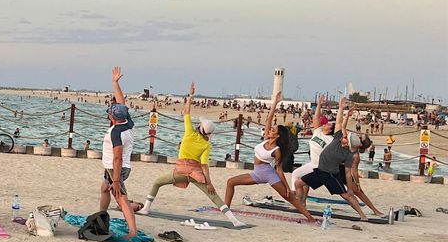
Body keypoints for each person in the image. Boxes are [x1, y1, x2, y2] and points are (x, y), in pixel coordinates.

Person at [142, 82, 246, 226]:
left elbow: (186, 112)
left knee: (157, 183)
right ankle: (234, 221)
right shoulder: (206, 144)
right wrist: (209, 182)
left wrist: (190, 95)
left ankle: (146, 209)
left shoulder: (189, 132)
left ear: (200, 127)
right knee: (213, 195)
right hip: (196, 173)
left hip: (181, 170)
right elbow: (204, 165)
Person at [224, 91, 316, 221]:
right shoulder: (267, 139)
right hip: (256, 173)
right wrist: (275, 103)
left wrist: (287, 187)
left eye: (273, 130)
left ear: (277, 136)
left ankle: (310, 218)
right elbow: (268, 119)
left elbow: (278, 168)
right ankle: (226, 209)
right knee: (230, 182)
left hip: (268, 174)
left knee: (289, 197)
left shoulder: (276, 150)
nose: (271, 130)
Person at [292, 96, 370, 220]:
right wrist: (340, 109)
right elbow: (339, 123)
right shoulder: (331, 137)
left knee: (346, 195)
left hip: (330, 174)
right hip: (318, 170)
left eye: (346, 139)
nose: (344, 138)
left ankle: (362, 215)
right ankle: (301, 204)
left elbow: (348, 173)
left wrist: (350, 188)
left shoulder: (342, 149)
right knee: (298, 183)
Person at [99, 67, 142, 235]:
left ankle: (132, 231)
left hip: (115, 169)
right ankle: (102, 216)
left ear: (112, 117)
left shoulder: (116, 132)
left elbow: (117, 158)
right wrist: (115, 83)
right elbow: (121, 101)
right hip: (116, 167)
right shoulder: (127, 123)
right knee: (104, 189)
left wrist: (116, 181)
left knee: (121, 198)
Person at [346, 136, 384, 217]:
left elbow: (354, 171)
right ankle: (374, 210)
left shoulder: (354, 154)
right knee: (357, 193)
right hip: (344, 173)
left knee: (357, 192)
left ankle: (374, 210)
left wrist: (358, 184)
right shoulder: (351, 148)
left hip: (346, 174)